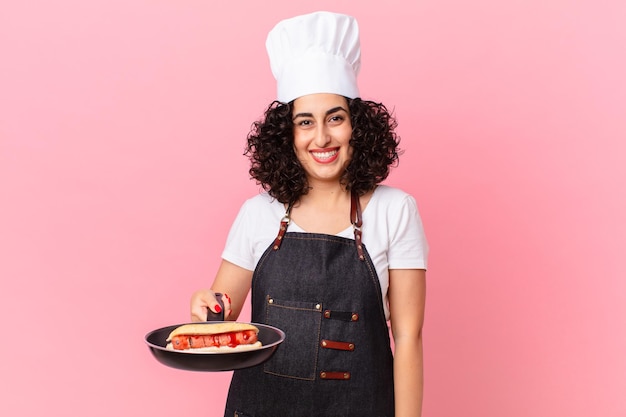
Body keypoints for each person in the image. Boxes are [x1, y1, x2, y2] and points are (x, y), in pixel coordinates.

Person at [190, 11, 428, 417]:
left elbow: (408, 337)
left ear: (358, 125)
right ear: (287, 135)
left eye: (335, 118)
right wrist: (204, 307)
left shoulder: (395, 210)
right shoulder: (258, 213)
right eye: (305, 122)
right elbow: (221, 318)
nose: (322, 137)